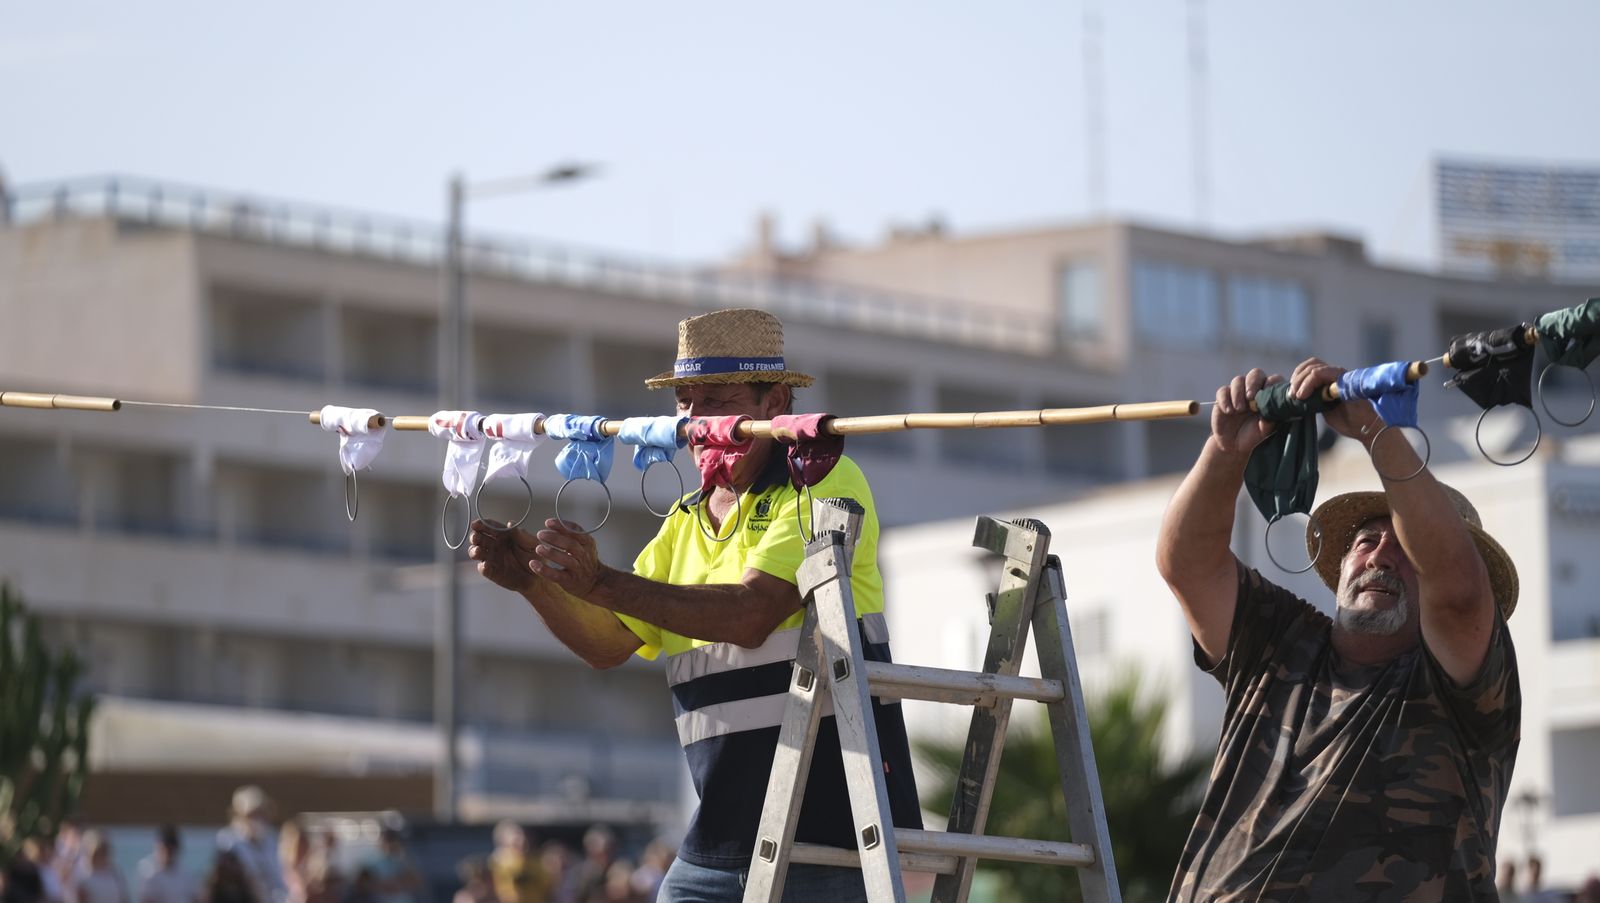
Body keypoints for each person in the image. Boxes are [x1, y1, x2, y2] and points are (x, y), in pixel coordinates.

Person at [468, 308, 921, 902]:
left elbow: (751, 613)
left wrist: (598, 582)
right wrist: (533, 583)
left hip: (833, 829)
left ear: (775, 404)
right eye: (686, 400)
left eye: (717, 398)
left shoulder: (822, 482)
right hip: (721, 839)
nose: (696, 418)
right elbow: (609, 643)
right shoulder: (684, 521)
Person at [1157, 360, 1521, 900]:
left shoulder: (1461, 682)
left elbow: (1460, 589)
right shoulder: (1279, 643)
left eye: (1404, 546)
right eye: (1366, 542)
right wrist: (1226, 453)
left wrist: (1375, 432)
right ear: (1341, 566)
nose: (1381, 555)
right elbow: (1187, 563)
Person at [216, 787, 284, 903]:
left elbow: (281, 880)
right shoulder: (227, 841)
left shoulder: (272, 840)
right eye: (252, 814)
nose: (258, 818)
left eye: (262, 813)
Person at [486, 822, 550, 903]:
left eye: (523, 836)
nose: (521, 840)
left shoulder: (537, 863)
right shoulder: (495, 863)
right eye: (516, 837)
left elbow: (546, 886)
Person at [137, 827, 198, 903]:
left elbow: (195, 898)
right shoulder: (147, 870)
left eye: (171, 849)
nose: (168, 853)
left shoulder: (187, 873)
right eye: (165, 848)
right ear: (157, 846)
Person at [360, 829, 421, 903]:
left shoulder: (403, 860)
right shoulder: (370, 861)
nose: (390, 844)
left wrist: (399, 884)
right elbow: (362, 884)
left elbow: (417, 882)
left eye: (392, 840)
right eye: (387, 840)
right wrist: (382, 886)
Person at [73, 832, 127, 903]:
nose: (101, 856)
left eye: (104, 852)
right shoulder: (85, 877)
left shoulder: (115, 874)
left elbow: (124, 898)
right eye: (98, 853)